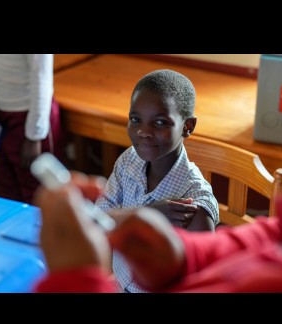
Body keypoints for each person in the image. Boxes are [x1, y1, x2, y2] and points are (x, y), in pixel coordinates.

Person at [33, 103, 282, 293]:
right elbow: (265, 239)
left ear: (187, 127)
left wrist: (76, 277)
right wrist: (184, 256)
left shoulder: (195, 199)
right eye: (135, 119)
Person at [94, 69, 219, 292]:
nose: (143, 131)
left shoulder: (194, 206)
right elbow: (96, 223)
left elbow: (197, 285)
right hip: (117, 283)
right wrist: (147, 215)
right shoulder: (128, 162)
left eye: (160, 122)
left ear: (187, 127)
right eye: (135, 119)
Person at [0, 54, 63, 204]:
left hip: (30, 118)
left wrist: (34, 136)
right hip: (2, 115)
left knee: (37, 191)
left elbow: (42, 79)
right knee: (5, 188)